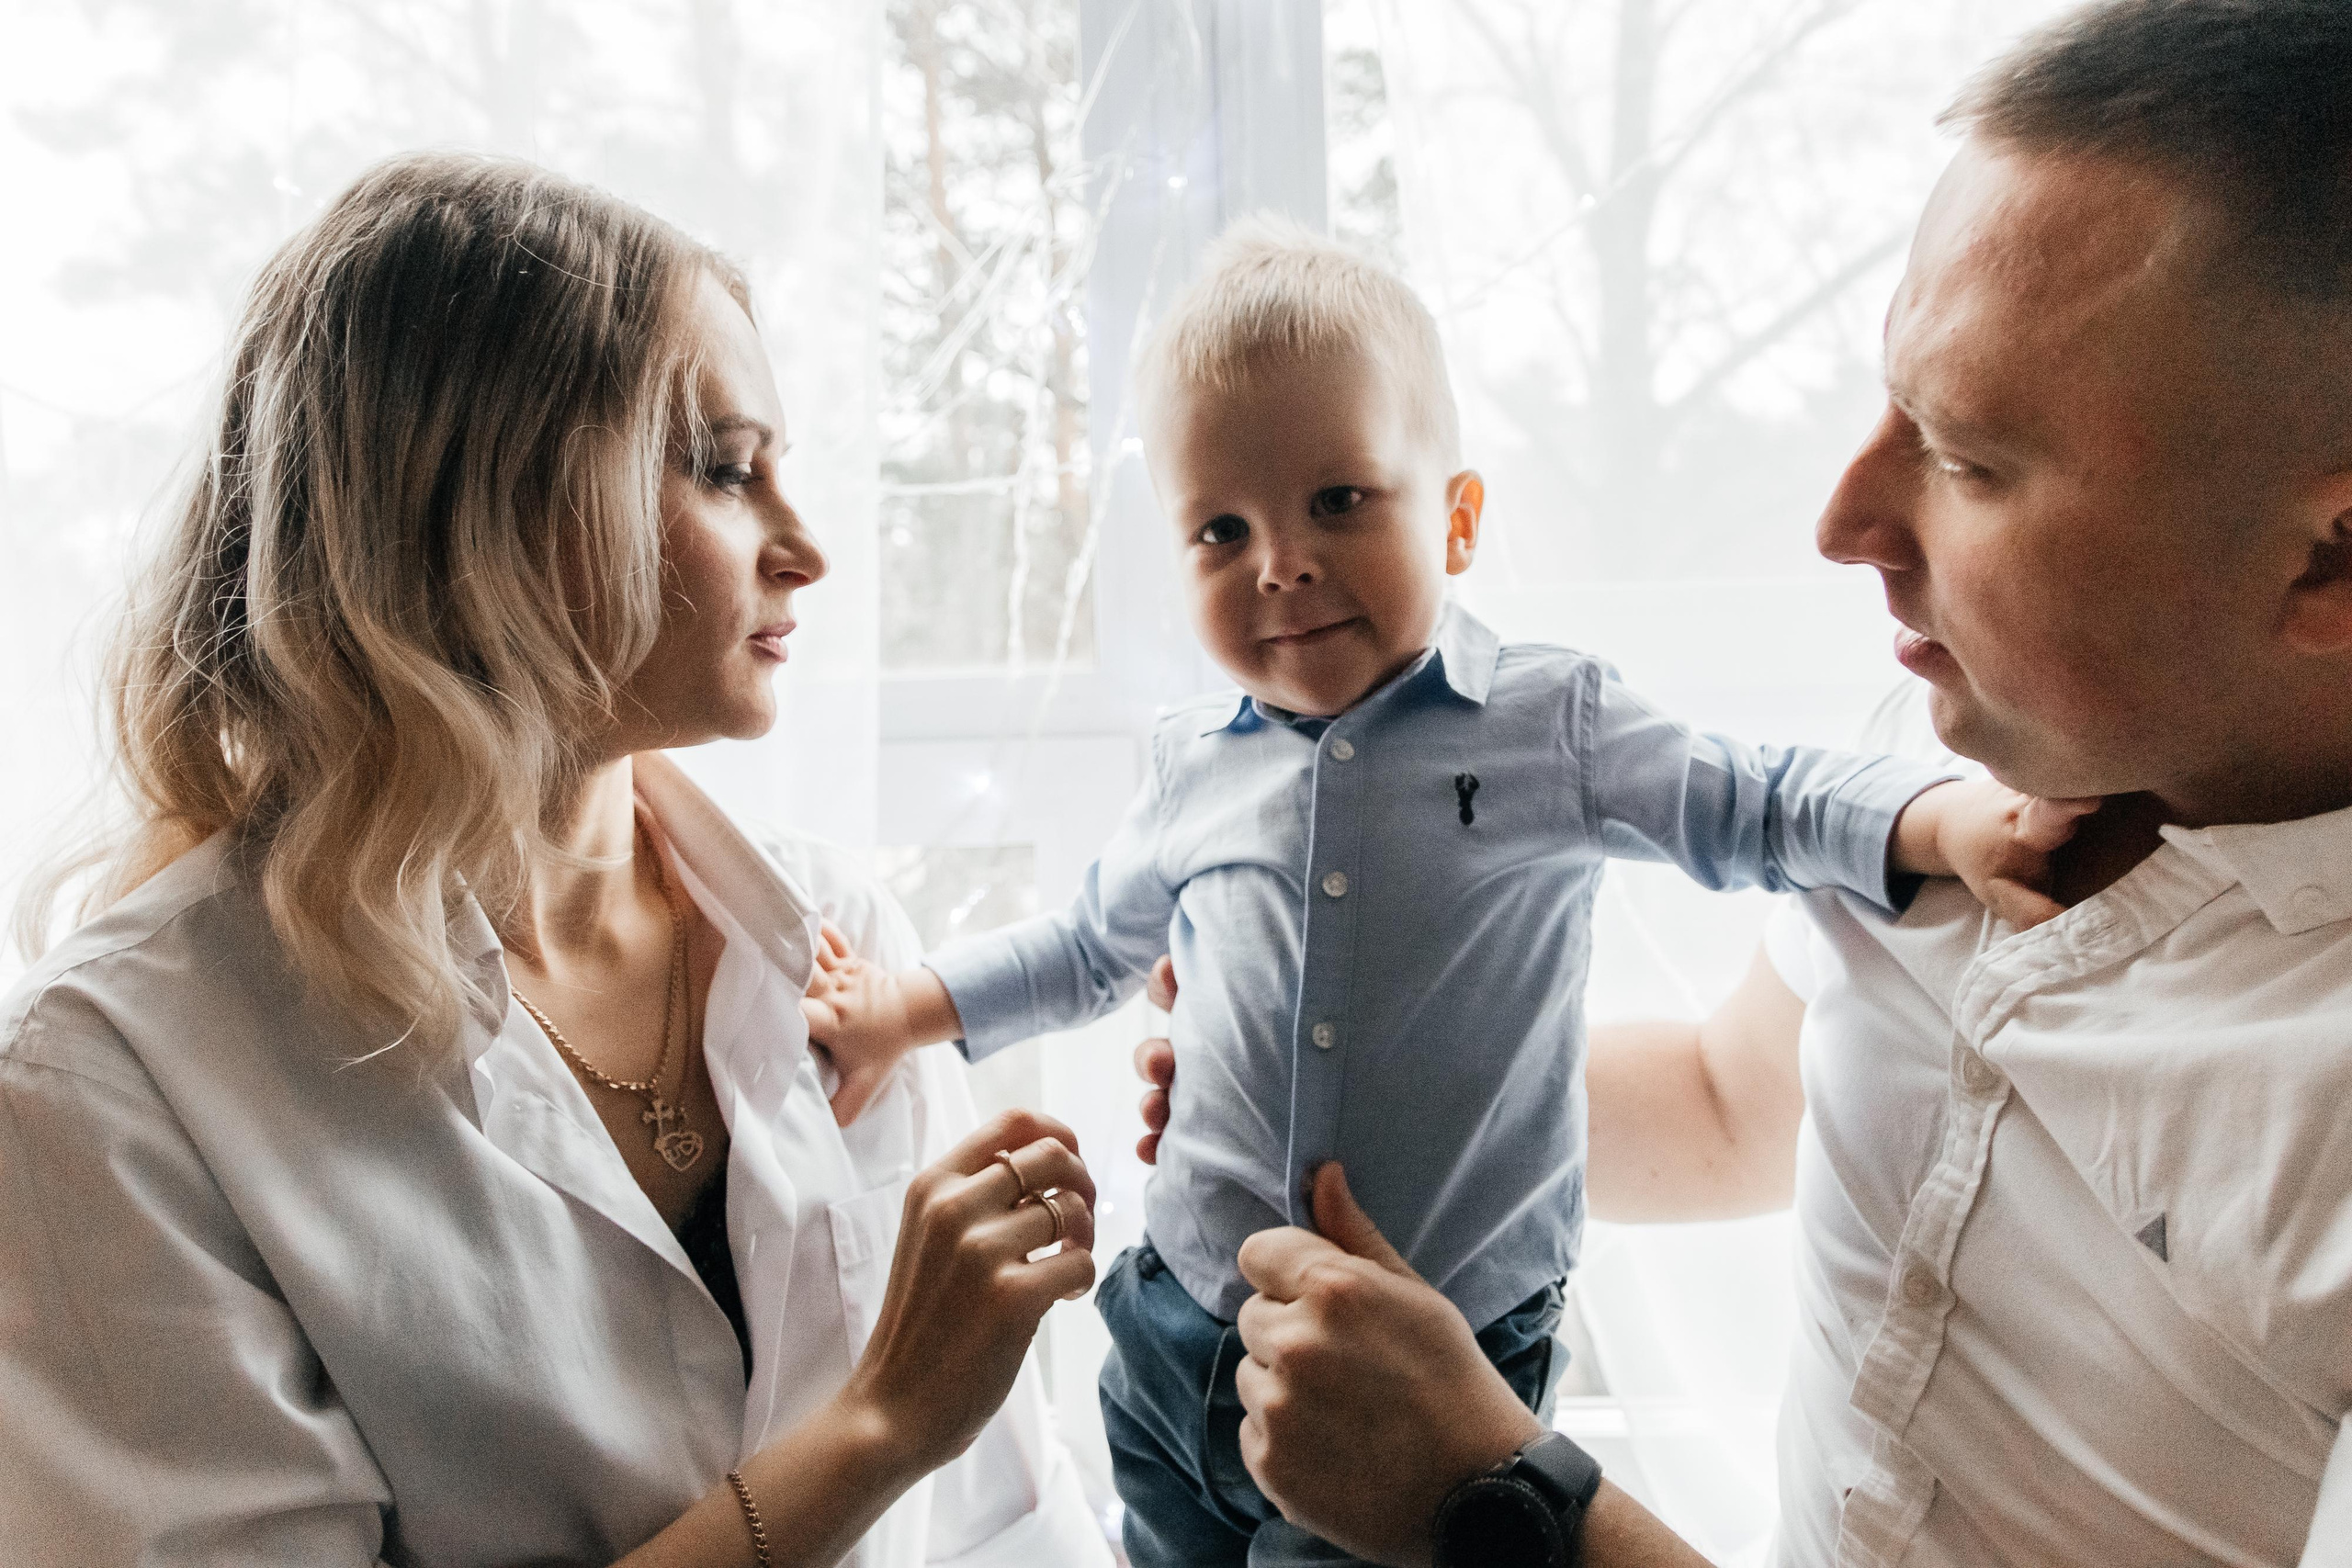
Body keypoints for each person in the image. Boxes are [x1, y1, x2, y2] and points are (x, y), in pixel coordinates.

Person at [1131, 2, 2352, 1563]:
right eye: (1888, 403)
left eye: (1969, 459)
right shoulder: (1947, 765)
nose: (1843, 518)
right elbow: (1721, 1107)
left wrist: (1496, 1497)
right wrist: (1320, 1089)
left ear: (2335, 559)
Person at [797, 222, 2079, 1566]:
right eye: (1219, 529)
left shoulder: (1551, 722)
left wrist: (1942, 822)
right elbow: (1084, 947)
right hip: (1180, 1324)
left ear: (1458, 517)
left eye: (1338, 502)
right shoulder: (1193, 764)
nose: (1278, 562)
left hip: (1432, 1360)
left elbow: (1755, 800)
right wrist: (900, 1013)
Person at [0, 153, 1112, 1568]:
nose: (808, 550)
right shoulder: (112, 1078)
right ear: (482, 507)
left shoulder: (830, 932)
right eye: (723, 467)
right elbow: (920, 1436)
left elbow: (1015, 1526)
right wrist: (879, 1427)